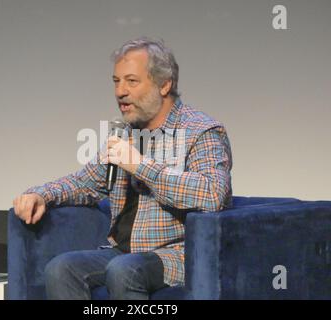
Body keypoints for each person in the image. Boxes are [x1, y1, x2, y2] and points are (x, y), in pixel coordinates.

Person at [13, 37, 233, 300]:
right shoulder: (125, 133)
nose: (120, 92)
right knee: (61, 269)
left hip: (177, 253)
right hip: (125, 252)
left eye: (132, 81)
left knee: (123, 270)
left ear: (164, 84)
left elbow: (212, 193)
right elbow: (85, 182)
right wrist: (41, 194)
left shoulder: (201, 131)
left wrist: (140, 166)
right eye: (116, 81)